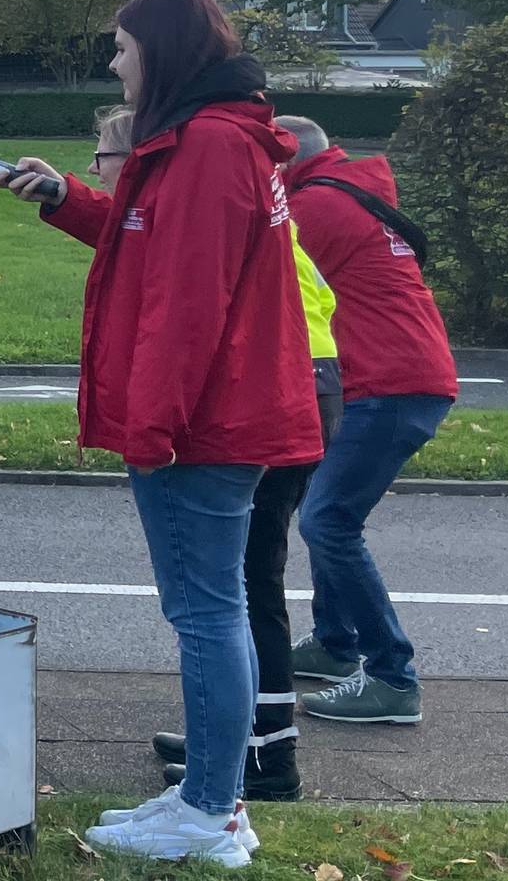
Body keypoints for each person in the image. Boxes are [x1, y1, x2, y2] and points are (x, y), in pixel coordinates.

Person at [0, 0, 321, 867]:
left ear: (163, 53)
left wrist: (155, 427)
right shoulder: (207, 137)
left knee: (207, 613)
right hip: (221, 417)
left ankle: (211, 811)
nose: (113, 61)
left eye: (123, 47)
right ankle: (212, 797)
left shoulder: (209, 145)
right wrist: (64, 196)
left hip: (205, 426)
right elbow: (151, 243)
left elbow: (187, 303)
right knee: (210, 610)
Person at [117, 107, 339, 801]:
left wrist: (152, 429)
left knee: (233, 593)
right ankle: (235, 742)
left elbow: (192, 308)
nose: (100, 168)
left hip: (269, 395)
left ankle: (258, 761)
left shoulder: (208, 163)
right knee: (240, 588)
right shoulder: (251, 183)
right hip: (303, 386)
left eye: (104, 157)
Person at [274, 114, 457, 726]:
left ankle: (392, 679)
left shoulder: (314, 208)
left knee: (328, 520)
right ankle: (333, 645)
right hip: (395, 378)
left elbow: (242, 268)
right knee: (327, 514)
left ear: (281, 163)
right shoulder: (349, 192)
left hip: (388, 383)